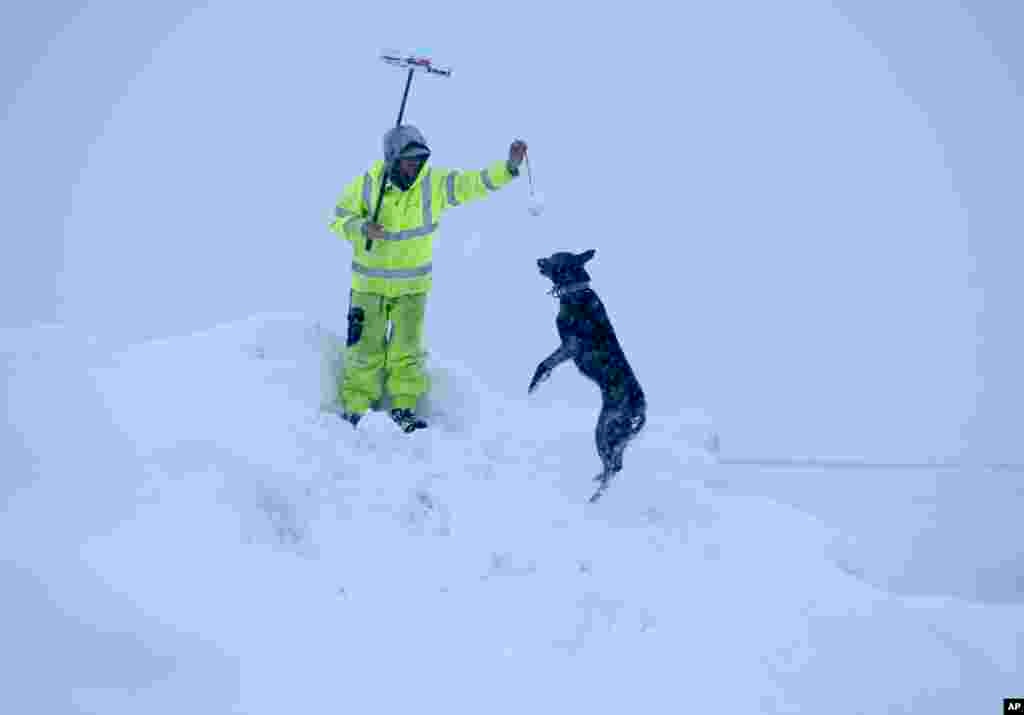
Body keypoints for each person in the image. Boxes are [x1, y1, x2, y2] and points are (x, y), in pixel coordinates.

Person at [328, 124, 528, 432]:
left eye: (419, 159)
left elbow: (474, 183)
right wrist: (361, 228)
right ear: (392, 159)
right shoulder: (367, 185)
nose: (415, 165)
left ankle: (403, 408)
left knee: (406, 352)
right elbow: (338, 218)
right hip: (368, 288)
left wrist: (509, 167)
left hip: (412, 289)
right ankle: (356, 409)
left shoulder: (433, 184)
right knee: (364, 351)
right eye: (408, 160)